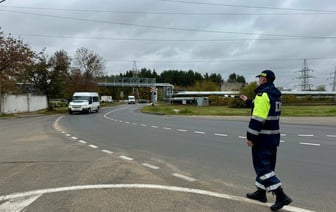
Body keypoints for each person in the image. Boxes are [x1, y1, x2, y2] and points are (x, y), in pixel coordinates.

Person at [240, 70, 292, 211]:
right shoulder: (274, 94)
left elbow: (258, 119)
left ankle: (281, 196)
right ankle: (261, 192)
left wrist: (250, 137)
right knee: (267, 166)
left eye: (260, 78)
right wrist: (248, 101)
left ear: (265, 79)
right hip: (273, 137)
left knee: (263, 168)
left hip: (262, 138)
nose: (258, 80)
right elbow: (263, 108)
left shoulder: (262, 95)